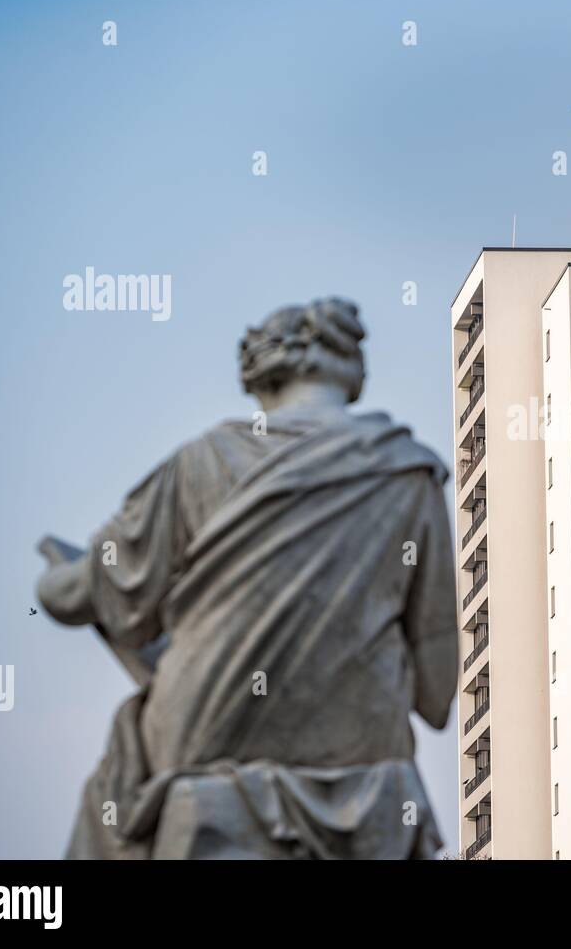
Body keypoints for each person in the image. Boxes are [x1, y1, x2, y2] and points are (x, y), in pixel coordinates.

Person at [37, 298, 456, 858]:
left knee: (118, 780)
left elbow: (78, 595)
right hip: (367, 768)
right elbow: (436, 684)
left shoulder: (200, 463)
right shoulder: (408, 473)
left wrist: (57, 577)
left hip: (204, 743)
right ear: (349, 368)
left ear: (260, 375)